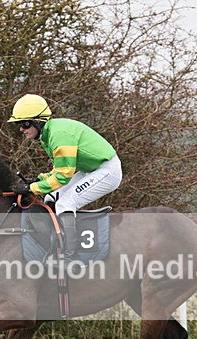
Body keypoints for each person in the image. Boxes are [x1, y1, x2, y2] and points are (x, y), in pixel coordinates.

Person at [7, 94, 123, 262]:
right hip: (89, 170)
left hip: (107, 171)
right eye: (19, 124)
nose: (21, 129)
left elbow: (63, 176)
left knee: (65, 203)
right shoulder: (47, 135)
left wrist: (31, 188)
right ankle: (55, 244)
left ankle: (69, 256)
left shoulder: (58, 135)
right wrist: (39, 179)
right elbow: (60, 169)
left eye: (25, 124)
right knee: (50, 197)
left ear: (38, 122)